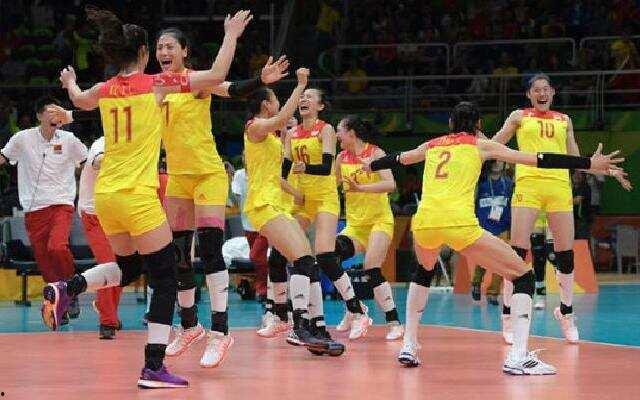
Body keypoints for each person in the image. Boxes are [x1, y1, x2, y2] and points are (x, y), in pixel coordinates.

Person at [39, 6, 251, 388]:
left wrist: (69, 83)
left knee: (131, 267)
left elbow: (80, 100)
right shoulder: (157, 84)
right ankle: (153, 367)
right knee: (165, 275)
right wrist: (231, 35)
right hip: (137, 196)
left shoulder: (104, 89)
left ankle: (68, 287)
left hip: (105, 196)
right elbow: (218, 74)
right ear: (142, 53)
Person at [365, 101, 627, 374]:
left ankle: (409, 345)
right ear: (479, 125)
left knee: (423, 272)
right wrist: (588, 163)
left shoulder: (432, 145)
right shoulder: (481, 145)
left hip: (424, 225)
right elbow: (541, 158)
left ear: (451, 124)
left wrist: (370, 165)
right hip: (459, 225)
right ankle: (519, 357)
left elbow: (398, 158)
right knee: (523, 275)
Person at [154, 27, 289, 368]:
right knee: (179, 254)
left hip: (208, 175)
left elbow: (231, 88)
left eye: (170, 46)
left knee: (211, 249)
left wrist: (258, 78)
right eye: (159, 47)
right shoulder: (156, 85)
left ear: (184, 51)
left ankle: (220, 332)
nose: (164, 52)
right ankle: (190, 326)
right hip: (178, 178)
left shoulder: (197, 82)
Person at [492, 73, 632, 344]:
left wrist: (604, 169)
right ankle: (508, 314)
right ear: (529, 94)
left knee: (565, 254)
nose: (542, 93)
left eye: (546, 89)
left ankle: (566, 312)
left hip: (559, 187)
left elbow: (575, 157)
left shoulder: (564, 120)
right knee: (518, 253)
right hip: (528, 185)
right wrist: (475, 147)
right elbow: (495, 144)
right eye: (536, 90)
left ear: (553, 93)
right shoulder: (519, 116)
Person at [245, 71, 344, 355]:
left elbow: (278, 171)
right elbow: (280, 120)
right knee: (301, 259)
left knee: (308, 262)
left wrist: (295, 191)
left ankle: (317, 326)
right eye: (275, 99)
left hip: (277, 204)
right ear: (266, 105)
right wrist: (300, 85)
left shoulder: (273, 135)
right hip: (263, 205)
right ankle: (297, 325)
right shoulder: (254, 127)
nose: (279, 103)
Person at [284, 88, 370, 341]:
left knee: (324, 255)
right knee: (295, 255)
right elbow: (283, 170)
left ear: (320, 106)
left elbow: (325, 168)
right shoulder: (292, 134)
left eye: (309, 97)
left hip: (324, 198)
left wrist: (303, 168)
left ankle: (357, 310)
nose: (303, 99)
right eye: (302, 97)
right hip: (303, 201)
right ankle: (305, 319)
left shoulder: (326, 129)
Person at [0, 96, 87, 322]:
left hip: (61, 204)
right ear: (39, 115)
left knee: (57, 247)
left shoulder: (69, 140)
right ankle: (60, 302)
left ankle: (72, 287)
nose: (55, 115)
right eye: (50, 111)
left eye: (58, 112)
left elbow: (87, 163)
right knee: (44, 259)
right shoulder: (22, 138)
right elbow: (4, 157)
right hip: (33, 208)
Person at [334, 114, 404, 341]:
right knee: (329, 257)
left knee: (371, 267)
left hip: (379, 221)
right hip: (355, 226)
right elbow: (330, 186)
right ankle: (355, 308)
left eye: (339, 130)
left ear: (351, 133)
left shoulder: (376, 153)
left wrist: (361, 188)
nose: (336, 135)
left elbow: (390, 184)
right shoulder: (340, 158)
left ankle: (394, 322)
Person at [79, 134, 123, 339]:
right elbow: (98, 161)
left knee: (123, 265)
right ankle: (107, 322)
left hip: (119, 214)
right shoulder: (102, 143)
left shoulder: (139, 143)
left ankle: (107, 307)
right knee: (108, 263)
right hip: (94, 215)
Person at [471, 160, 513, 305]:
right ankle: (476, 282)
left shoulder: (509, 184)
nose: (496, 163)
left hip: (502, 227)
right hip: (483, 227)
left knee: (501, 260)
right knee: (484, 258)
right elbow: (472, 202)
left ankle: (493, 293)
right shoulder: (480, 183)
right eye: (493, 160)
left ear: (505, 164)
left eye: (500, 161)